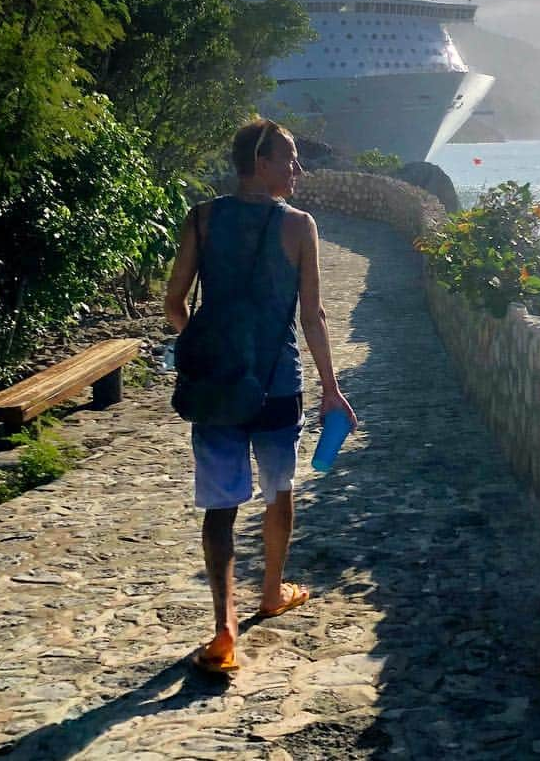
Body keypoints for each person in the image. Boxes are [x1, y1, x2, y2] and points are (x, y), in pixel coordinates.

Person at [164, 118, 357, 673]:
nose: (297, 168)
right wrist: (331, 389)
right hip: (277, 384)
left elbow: (176, 301)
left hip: (217, 388)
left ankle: (224, 629)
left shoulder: (201, 221)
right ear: (260, 160)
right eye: (289, 157)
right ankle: (271, 592)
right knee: (279, 489)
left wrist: (205, 348)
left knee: (220, 506)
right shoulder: (299, 226)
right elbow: (312, 316)